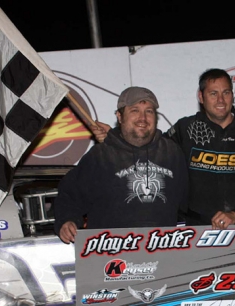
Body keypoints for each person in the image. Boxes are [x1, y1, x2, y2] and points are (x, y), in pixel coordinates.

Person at [93, 68, 235, 229]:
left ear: (232, 95)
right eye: (213, 93)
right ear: (201, 97)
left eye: (226, 92)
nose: (221, 100)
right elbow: (147, 151)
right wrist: (116, 136)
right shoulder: (185, 129)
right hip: (197, 230)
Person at [54, 86, 189, 244]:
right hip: (111, 256)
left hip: (162, 253)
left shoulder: (172, 153)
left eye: (149, 111)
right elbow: (70, 195)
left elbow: (190, 202)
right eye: (134, 110)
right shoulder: (100, 156)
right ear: (119, 116)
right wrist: (66, 221)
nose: (142, 118)